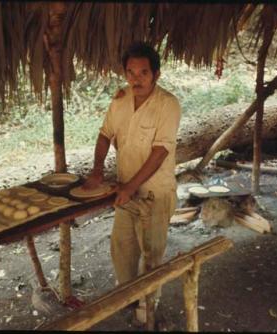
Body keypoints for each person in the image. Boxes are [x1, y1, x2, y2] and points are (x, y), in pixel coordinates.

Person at [83, 41, 181, 322]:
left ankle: (147, 307)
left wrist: (130, 186)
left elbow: (160, 151)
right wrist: (98, 169)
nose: (136, 79)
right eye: (131, 72)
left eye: (143, 73)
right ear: (124, 72)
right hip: (125, 190)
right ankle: (128, 294)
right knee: (123, 247)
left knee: (151, 253)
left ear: (156, 74)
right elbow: (104, 134)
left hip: (155, 193)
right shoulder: (120, 100)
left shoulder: (168, 105)